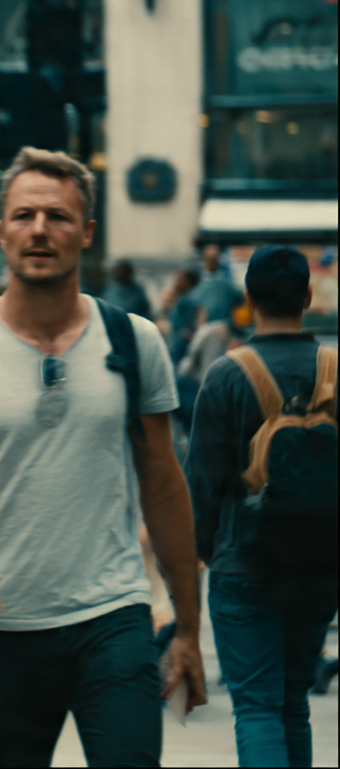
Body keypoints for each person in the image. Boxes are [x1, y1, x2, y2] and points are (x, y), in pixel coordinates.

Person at [0, 147, 206, 767]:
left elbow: (165, 487)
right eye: (24, 215)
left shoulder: (134, 341)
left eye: (58, 217)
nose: (39, 230)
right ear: (1, 230)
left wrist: (188, 627)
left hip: (112, 616)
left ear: (86, 233)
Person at [186, 246, 338, 768]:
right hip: (321, 565)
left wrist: (209, 554)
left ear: (248, 299)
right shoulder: (335, 370)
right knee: (294, 703)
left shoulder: (227, 376)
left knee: (256, 708)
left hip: (245, 563)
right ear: (309, 297)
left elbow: (201, 485)